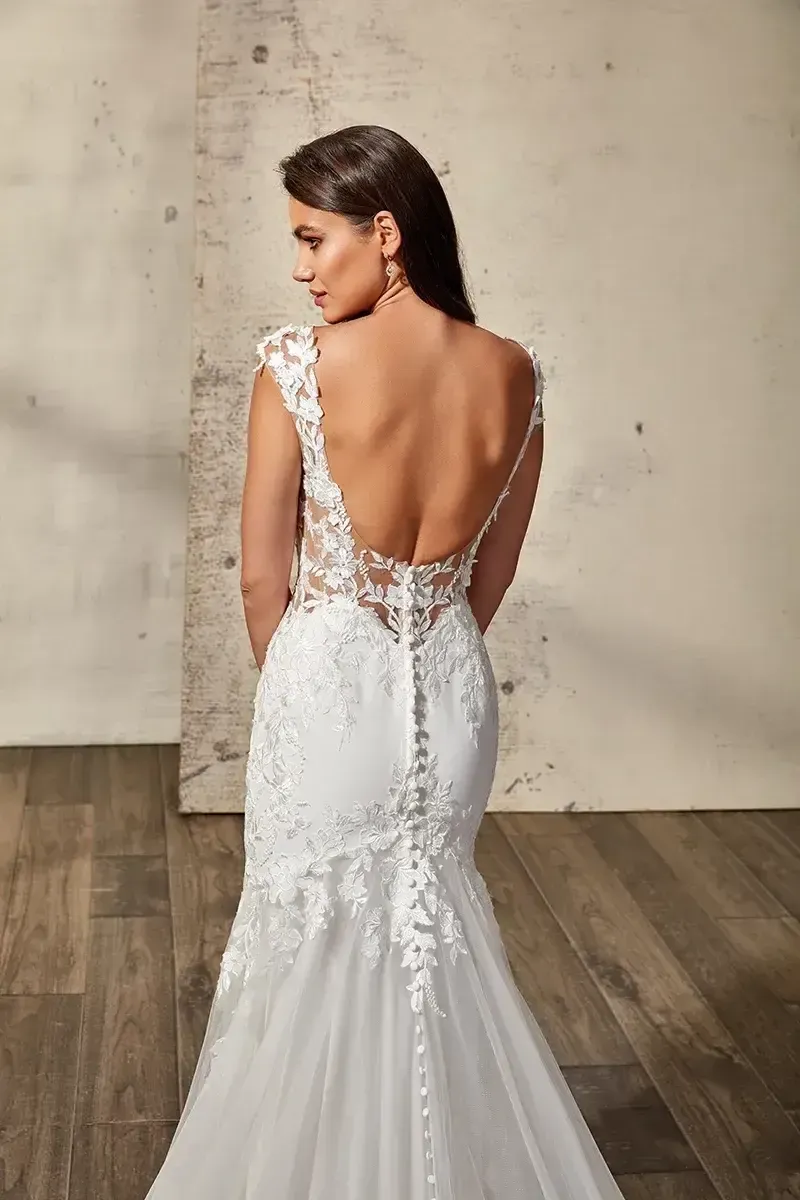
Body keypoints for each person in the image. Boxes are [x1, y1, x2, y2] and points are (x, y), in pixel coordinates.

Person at [145, 125, 624, 1199]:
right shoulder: (514, 373)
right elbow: (491, 574)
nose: (300, 269)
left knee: (309, 945)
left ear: (387, 232)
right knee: (430, 940)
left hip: (327, 686)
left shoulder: (297, 367)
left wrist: (305, 684)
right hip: (451, 688)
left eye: (314, 240)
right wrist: (428, 651)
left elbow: (261, 579)